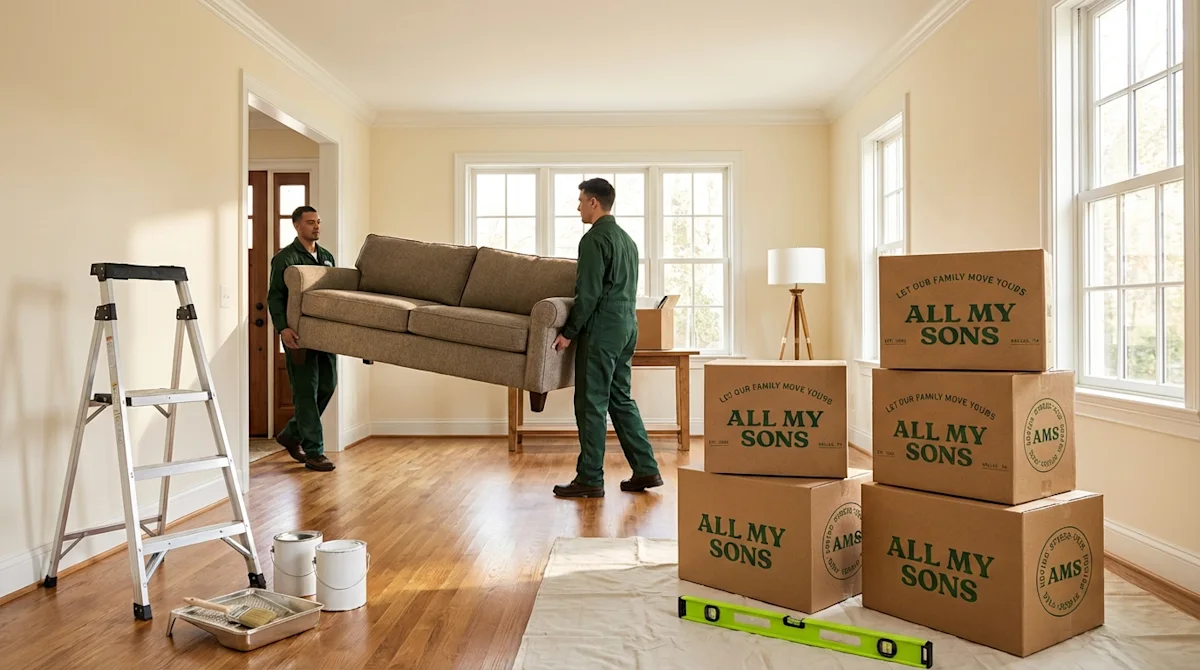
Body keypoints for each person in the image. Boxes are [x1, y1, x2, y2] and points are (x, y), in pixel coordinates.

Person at [551, 178, 662, 498]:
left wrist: (568, 334)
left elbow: (587, 295)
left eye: (581, 200)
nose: (578, 207)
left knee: (591, 404)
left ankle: (589, 478)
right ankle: (646, 468)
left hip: (601, 331)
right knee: (620, 399)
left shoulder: (594, 239)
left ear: (594, 202)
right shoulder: (627, 240)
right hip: (628, 328)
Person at [266, 205, 337, 472]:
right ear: (297, 226)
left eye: (318, 221)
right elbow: (275, 296)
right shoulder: (284, 258)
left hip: (325, 335)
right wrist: (282, 328)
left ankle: (290, 434)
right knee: (306, 391)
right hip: (297, 335)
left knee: (328, 385)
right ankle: (314, 452)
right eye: (310, 222)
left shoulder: (327, 257)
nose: (316, 226)